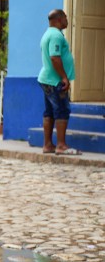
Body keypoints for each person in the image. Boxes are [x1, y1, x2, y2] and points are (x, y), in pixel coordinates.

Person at [38, 9, 80, 155]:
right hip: (55, 80)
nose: (67, 20)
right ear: (59, 19)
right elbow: (55, 57)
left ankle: (47, 145)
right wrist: (64, 77)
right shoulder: (56, 35)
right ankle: (61, 145)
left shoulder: (48, 34)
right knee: (62, 110)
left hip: (47, 79)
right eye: (65, 17)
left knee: (49, 111)